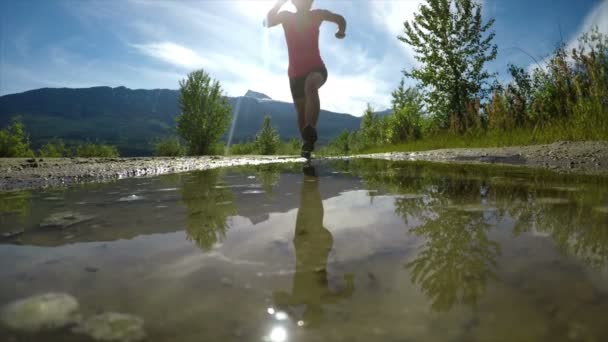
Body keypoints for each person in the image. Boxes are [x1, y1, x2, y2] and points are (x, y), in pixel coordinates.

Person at [265, 0, 347, 159]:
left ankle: (310, 128)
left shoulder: (317, 15)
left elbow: (340, 19)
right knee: (301, 112)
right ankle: (307, 146)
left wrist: (341, 31)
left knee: (311, 85)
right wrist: (278, 3)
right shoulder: (286, 17)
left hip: (317, 69)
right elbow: (266, 22)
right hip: (294, 75)